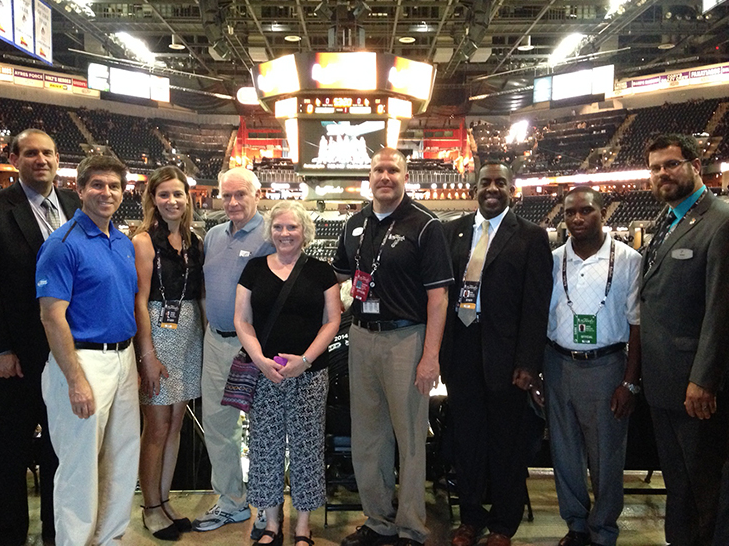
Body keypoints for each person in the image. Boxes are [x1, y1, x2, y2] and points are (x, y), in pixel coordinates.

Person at [333, 148, 453, 546]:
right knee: (368, 436)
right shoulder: (353, 224)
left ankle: (411, 526)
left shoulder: (425, 225)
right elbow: (336, 281)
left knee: (410, 437)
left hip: (406, 338)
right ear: (368, 176)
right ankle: (379, 520)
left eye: (393, 170)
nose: (385, 176)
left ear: (405, 176)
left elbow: (438, 299)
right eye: (378, 170)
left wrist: (430, 357)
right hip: (362, 337)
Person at [439, 161, 552, 546]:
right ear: (475, 187)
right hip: (462, 348)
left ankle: (504, 523)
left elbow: (537, 306)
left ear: (511, 189)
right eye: (485, 182)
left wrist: (528, 363)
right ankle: (470, 518)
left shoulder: (531, 236)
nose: (492, 188)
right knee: (467, 441)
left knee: (507, 443)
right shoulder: (451, 230)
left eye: (499, 183)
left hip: (506, 353)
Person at [0, 128, 80, 546]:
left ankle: (57, 536)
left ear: (59, 160)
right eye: (32, 153)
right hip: (17, 358)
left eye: (49, 153)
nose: (42, 160)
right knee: (8, 456)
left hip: (67, 355)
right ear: (15, 159)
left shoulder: (74, 204)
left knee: (61, 453)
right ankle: (9, 538)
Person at [36, 155, 140, 546]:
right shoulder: (62, 244)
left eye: (113, 186)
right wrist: (75, 380)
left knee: (120, 457)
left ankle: (110, 537)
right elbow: (51, 317)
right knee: (79, 468)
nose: (106, 193)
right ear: (79, 190)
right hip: (83, 361)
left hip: (123, 357)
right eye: (97, 185)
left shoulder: (122, 241)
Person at [640, 133, 729, 545]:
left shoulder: (720, 222)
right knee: (679, 485)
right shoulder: (668, 219)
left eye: (672, 164)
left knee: (704, 486)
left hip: (695, 387)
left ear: (694, 164)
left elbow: (721, 310)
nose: (663, 174)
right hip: (663, 384)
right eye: (656, 168)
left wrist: (704, 379)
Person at [235, 200, 341, 546]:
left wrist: (306, 360)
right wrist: (261, 360)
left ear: (304, 232)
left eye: (291, 227)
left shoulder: (321, 271)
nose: (284, 233)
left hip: (309, 374)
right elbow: (242, 319)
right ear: (270, 231)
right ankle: (270, 521)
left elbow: (333, 320)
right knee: (264, 446)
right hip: (265, 372)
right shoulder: (253, 269)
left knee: (306, 446)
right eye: (278, 227)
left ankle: (303, 525)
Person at [545, 187, 642, 546]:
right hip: (557, 362)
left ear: (603, 213)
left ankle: (604, 529)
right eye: (570, 213)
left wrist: (630, 382)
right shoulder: (553, 259)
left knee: (606, 457)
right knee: (565, 453)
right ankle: (576, 525)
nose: (577, 219)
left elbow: (637, 325)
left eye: (586, 211)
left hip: (606, 366)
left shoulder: (629, 259)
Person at [193, 167, 274, 533]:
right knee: (217, 425)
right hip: (216, 341)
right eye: (226, 195)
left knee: (263, 428)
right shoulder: (212, 236)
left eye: (240, 194)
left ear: (256, 194)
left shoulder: (271, 233)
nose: (233, 202)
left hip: (255, 346)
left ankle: (268, 508)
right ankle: (232, 502)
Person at [132, 166, 204, 540]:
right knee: (156, 427)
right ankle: (149, 507)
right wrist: (147, 355)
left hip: (189, 334)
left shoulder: (194, 240)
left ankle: (163, 497)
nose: (172, 201)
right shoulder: (144, 241)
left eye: (179, 194)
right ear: (153, 200)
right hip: (159, 333)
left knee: (176, 423)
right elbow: (140, 302)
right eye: (165, 195)